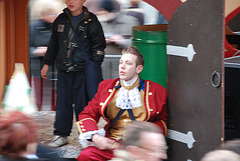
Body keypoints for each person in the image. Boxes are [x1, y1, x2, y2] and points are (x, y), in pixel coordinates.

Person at [76, 46, 167, 161]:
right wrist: (95, 137)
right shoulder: (106, 87)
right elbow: (88, 114)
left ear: (138, 69)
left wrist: (147, 142)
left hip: (139, 149)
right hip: (110, 145)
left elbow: (162, 121)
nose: (122, 67)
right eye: (121, 62)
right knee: (86, 155)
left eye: (128, 63)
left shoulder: (156, 91)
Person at [41, 0, 106, 148]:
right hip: (64, 69)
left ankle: (87, 136)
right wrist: (47, 63)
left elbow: (99, 45)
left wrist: (94, 64)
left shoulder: (91, 20)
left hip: (82, 70)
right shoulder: (61, 19)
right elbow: (54, 44)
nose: (70, 1)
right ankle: (60, 134)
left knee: (83, 105)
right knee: (63, 103)